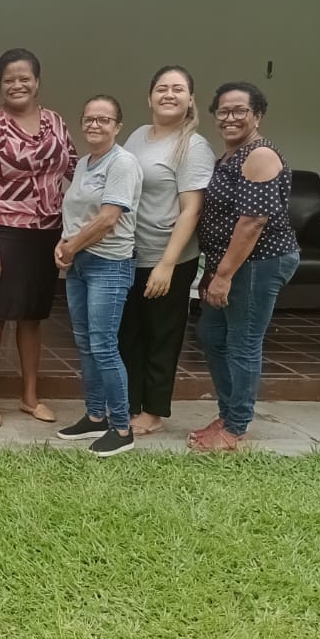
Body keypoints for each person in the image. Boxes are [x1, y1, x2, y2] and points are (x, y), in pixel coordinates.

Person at [0, 47, 77, 427]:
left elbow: (77, 172)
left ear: (37, 82)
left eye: (24, 78)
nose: (17, 84)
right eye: (9, 79)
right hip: (1, 233)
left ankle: (29, 396)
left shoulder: (56, 123)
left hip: (46, 235)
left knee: (32, 318)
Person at [190, 82, 299, 452]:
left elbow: (252, 222)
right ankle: (229, 413)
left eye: (240, 111)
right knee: (211, 335)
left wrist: (223, 276)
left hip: (258, 263)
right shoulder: (229, 157)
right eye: (223, 111)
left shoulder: (260, 155)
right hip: (230, 264)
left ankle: (235, 428)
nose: (230, 118)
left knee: (242, 342)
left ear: (257, 115)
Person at [119, 66, 215, 435]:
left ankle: (153, 411)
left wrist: (167, 265)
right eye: (162, 88)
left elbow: (192, 208)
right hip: (131, 252)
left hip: (167, 257)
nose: (169, 95)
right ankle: (128, 402)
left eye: (178, 89)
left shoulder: (193, 146)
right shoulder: (139, 136)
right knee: (129, 331)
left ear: (191, 99)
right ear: (149, 97)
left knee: (161, 334)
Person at [55, 96, 143, 457]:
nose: (95, 125)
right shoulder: (84, 164)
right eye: (89, 118)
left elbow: (109, 219)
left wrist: (71, 246)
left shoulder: (122, 163)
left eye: (104, 119)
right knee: (86, 344)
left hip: (109, 264)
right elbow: (76, 212)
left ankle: (121, 427)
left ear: (117, 125)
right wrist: (63, 244)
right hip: (80, 264)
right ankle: (94, 416)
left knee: (104, 345)